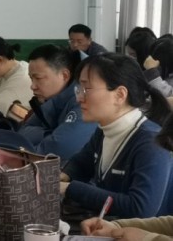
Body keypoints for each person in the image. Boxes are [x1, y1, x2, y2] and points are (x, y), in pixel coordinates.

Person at [60, 53, 173, 218]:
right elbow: (82, 163)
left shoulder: (151, 142)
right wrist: (62, 177)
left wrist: (70, 189)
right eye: (79, 89)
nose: (79, 98)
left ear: (120, 95)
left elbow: (140, 208)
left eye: (86, 89)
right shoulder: (104, 130)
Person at [81, 112, 173, 239]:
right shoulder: (102, 133)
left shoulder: (147, 139)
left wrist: (147, 238)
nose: (79, 101)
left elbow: (140, 208)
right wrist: (117, 226)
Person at [17, 44, 97, 160]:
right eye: (31, 78)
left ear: (64, 75)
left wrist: (49, 136)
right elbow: (22, 133)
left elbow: (55, 151)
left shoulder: (84, 100)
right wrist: (51, 134)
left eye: (38, 78)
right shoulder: (50, 100)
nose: (32, 86)